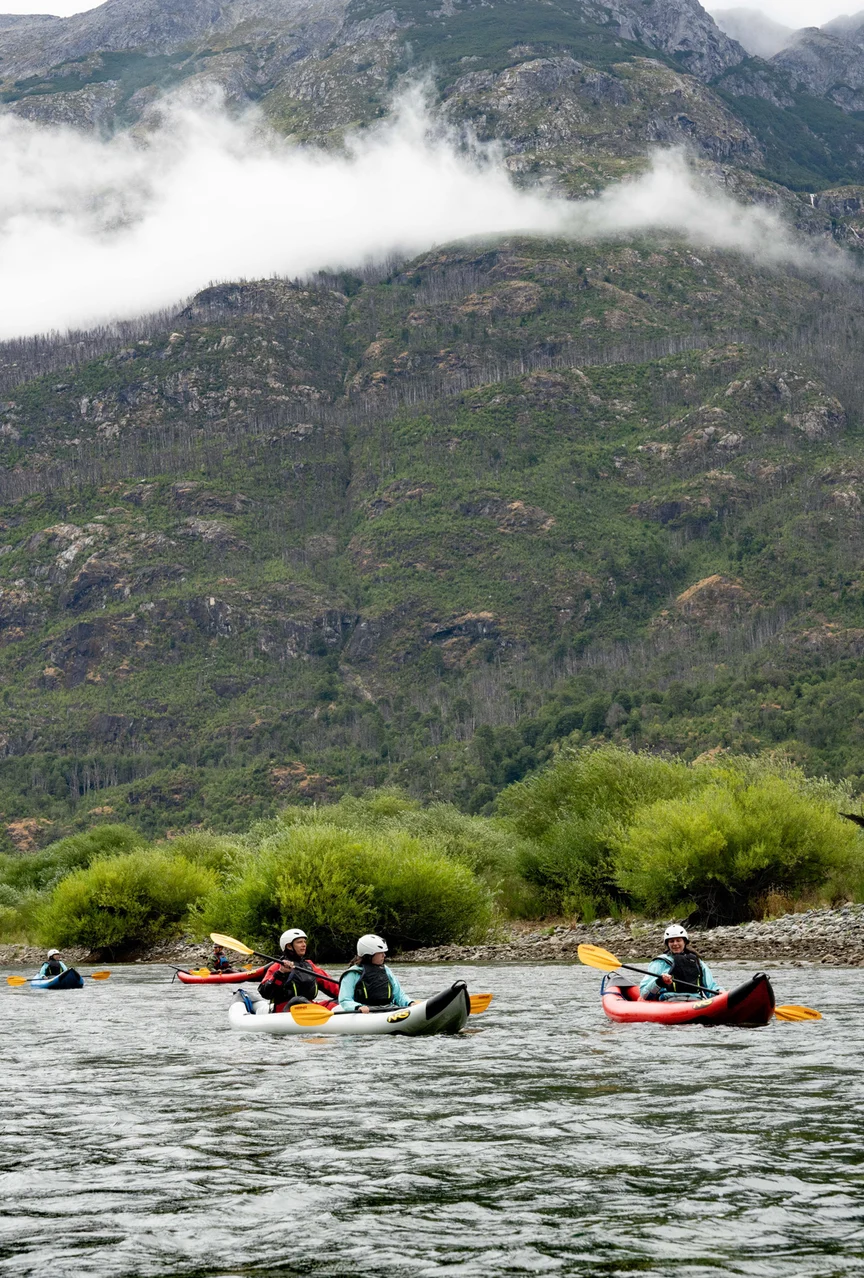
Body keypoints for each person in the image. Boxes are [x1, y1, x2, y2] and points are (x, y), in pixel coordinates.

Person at [258, 928, 340, 1013]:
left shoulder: (309, 966)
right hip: (285, 1009)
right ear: (289, 946)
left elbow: (333, 986)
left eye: (304, 942)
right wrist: (281, 974)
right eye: (299, 942)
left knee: (340, 1002)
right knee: (297, 1000)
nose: (304, 945)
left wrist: (348, 995)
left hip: (309, 1006)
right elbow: (265, 992)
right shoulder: (278, 966)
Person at [640, 925, 721, 1001]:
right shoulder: (660, 963)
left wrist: (720, 993)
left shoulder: (696, 961)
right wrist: (660, 981)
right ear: (668, 944)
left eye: (678, 940)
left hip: (694, 1000)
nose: (675, 944)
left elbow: (711, 987)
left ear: (685, 942)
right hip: (668, 1001)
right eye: (672, 941)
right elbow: (644, 994)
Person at [338, 934, 414, 1014]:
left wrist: (410, 1003)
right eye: (380, 953)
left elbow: (398, 995)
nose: (384, 955)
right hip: (365, 1012)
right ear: (369, 955)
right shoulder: (353, 973)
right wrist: (358, 1007)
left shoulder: (386, 970)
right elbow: (345, 999)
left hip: (388, 1009)